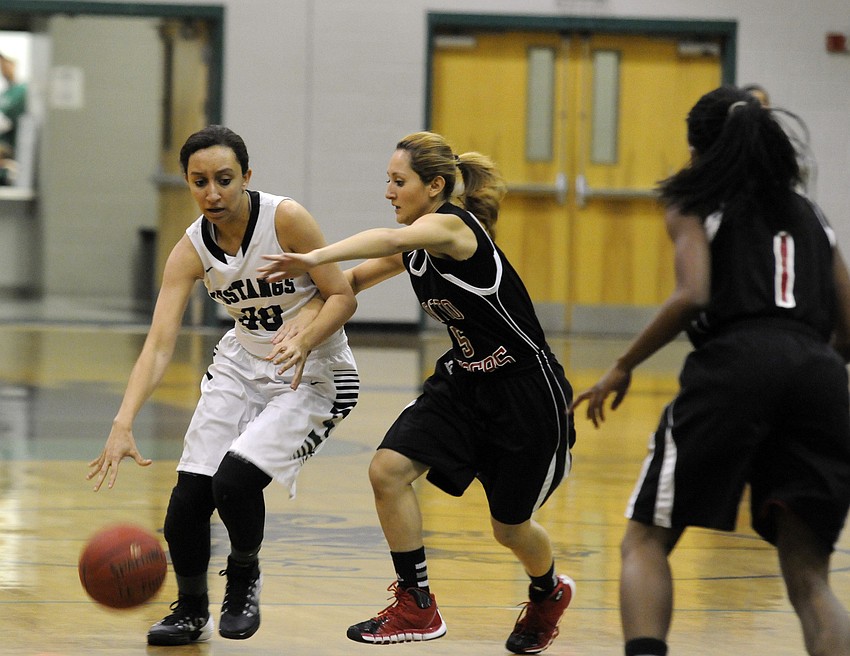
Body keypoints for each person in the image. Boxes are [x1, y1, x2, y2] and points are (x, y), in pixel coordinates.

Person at [258, 131, 577, 654]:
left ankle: (548, 591)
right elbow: (349, 282)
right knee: (387, 470)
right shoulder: (419, 245)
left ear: (434, 187)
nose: (388, 190)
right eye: (388, 179)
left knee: (510, 527)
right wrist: (298, 321)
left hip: (525, 395)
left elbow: (389, 240)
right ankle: (417, 605)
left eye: (398, 180)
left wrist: (313, 252)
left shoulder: (452, 228)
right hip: (464, 383)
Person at [571, 86, 850, 656]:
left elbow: (693, 293)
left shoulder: (693, 201)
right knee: (809, 575)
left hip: (736, 363)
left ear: (699, 150)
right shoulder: (813, 215)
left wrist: (622, 365)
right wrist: (807, 372)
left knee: (645, 540)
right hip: (822, 376)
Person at [87, 125, 360, 646]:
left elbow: (343, 296)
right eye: (199, 181)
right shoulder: (191, 248)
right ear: (187, 183)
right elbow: (160, 344)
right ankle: (191, 611)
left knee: (234, 481)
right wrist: (122, 422)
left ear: (247, 177)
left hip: (314, 371)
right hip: (240, 366)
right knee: (187, 503)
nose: (212, 192)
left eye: (224, 179)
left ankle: (244, 574)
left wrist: (305, 340)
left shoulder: (286, 219)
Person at [0, 52, 26, 157]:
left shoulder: (22, 91)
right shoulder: (5, 93)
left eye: (6, 63)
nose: (3, 67)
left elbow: (6, 123)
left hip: (15, 152)